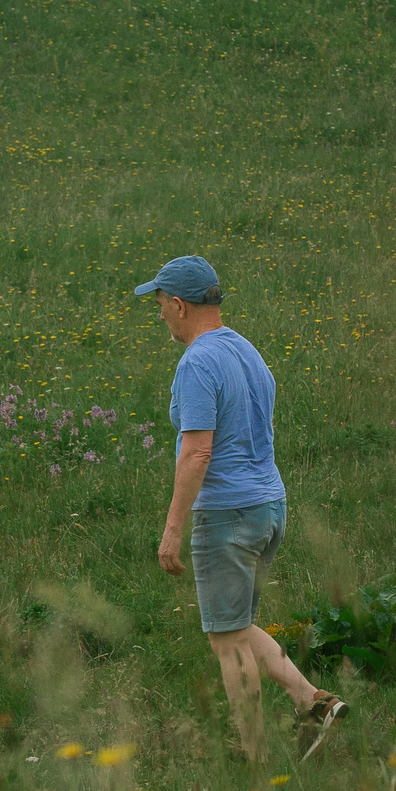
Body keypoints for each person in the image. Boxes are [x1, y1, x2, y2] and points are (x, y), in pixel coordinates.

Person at [139, 254, 346, 758]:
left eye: (161, 304)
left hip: (227, 513)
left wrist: (171, 530)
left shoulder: (196, 363)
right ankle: (315, 704)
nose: (160, 313)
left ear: (180, 305)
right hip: (268, 506)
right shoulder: (247, 351)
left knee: (226, 640)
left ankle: (254, 759)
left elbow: (198, 451)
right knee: (235, 625)